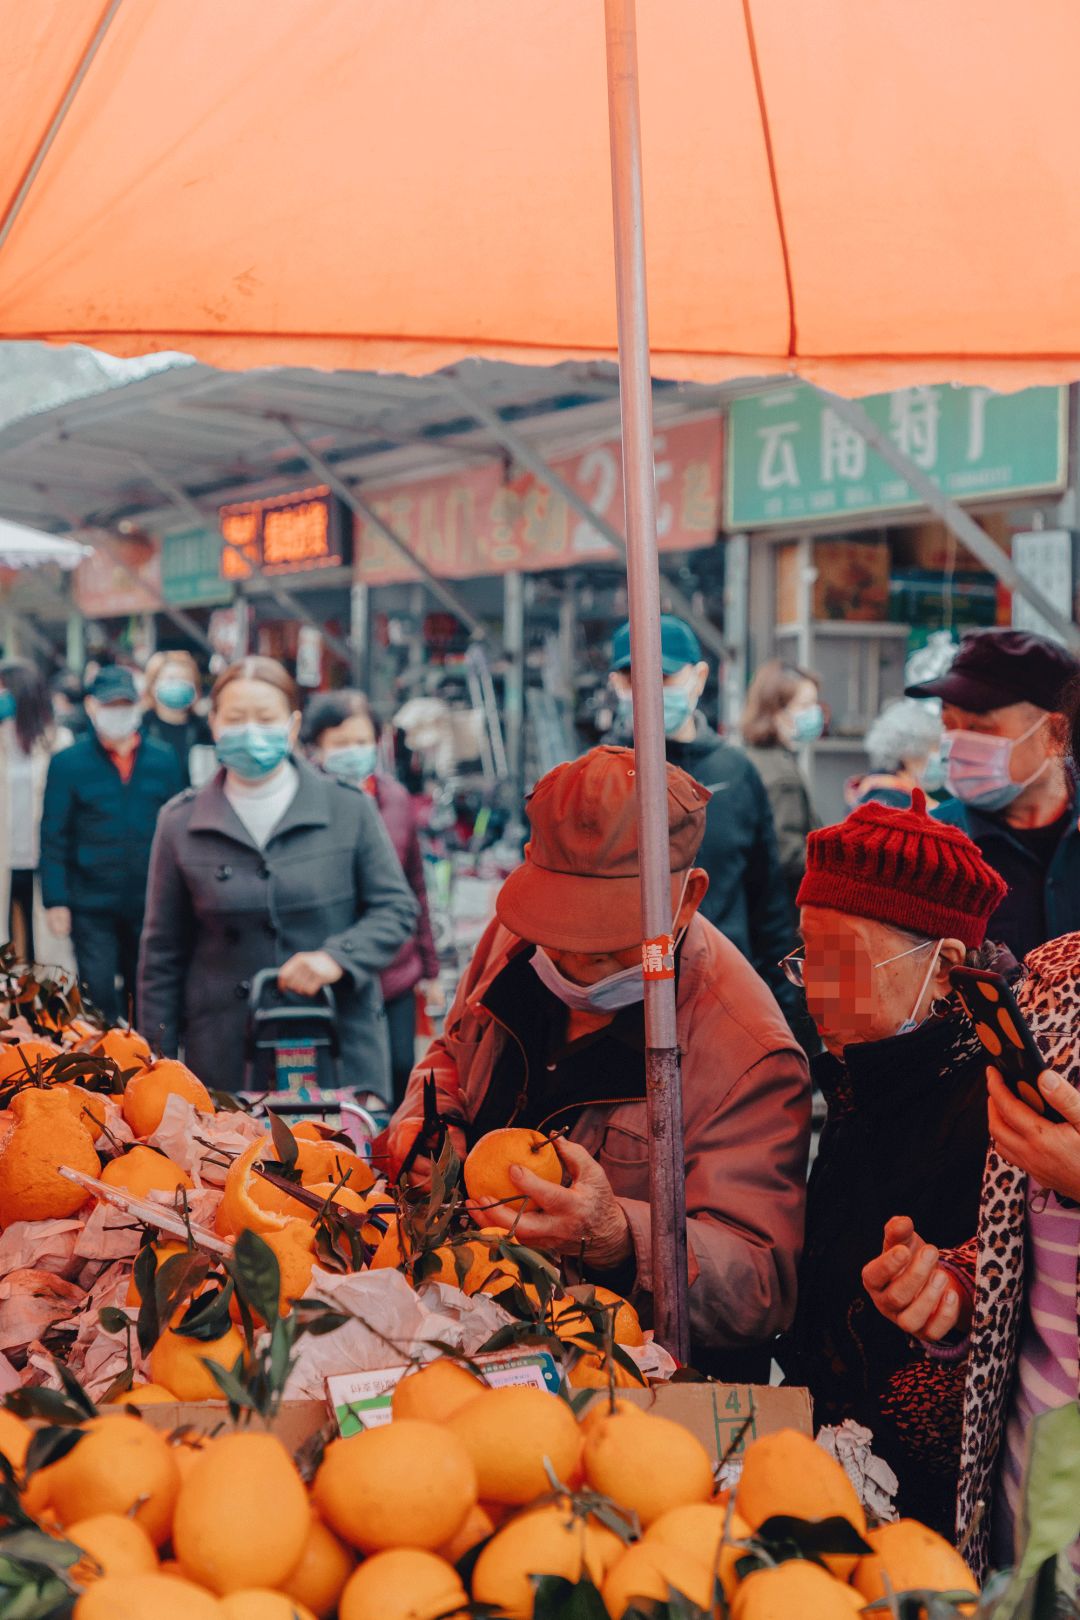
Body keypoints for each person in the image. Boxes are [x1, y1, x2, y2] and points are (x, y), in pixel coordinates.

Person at [385, 745, 811, 1370]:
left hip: (620, 1382)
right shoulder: (517, 935)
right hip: (461, 1333)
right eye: (560, 928)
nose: (572, 956)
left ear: (686, 899)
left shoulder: (748, 1050)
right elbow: (452, 1051)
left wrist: (622, 1238)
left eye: (605, 942)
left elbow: (759, 1284)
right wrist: (431, 1123)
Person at [777, 789, 1009, 1535]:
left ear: (943, 967)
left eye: (840, 961)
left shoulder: (1003, 1108)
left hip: (928, 1518)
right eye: (806, 955)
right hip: (827, 1471)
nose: (814, 987)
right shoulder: (865, 1072)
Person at [138, 656, 417, 1096]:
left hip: (336, 1046)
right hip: (224, 1054)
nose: (251, 731)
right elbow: (161, 956)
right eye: (235, 718)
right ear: (213, 723)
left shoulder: (349, 808)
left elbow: (397, 910)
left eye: (266, 718)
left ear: (291, 725)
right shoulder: (179, 822)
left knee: (337, 1164)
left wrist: (337, 957)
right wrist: (156, 1065)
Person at [607, 616, 797, 1016]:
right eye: (633, 678)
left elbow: (770, 907)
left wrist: (789, 1018)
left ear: (699, 677)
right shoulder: (603, 777)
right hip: (627, 1004)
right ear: (616, 685)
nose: (649, 691)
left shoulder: (737, 773)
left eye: (664, 677)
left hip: (725, 998)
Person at [302, 689, 443, 1106]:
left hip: (394, 966)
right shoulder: (303, 801)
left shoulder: (396, 798)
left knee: (401, 1069)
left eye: (362, 741)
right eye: (341, 743)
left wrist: (430, 968)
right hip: (328, 964)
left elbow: (415, 885)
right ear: (317, 746)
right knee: (336, 1082)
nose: (354, 752)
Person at [905, 627, 1080, 959]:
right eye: (948, 725)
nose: (955, 743)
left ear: (1057, 734)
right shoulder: (930, 849)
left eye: (979, 728)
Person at [40, 666, 183, 1022]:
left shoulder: (164, 761)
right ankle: (104, 1067)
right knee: (97, 989)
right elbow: (54, 833)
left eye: (125, 704)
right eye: (110, 705)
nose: (118, 712)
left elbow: (182, 829)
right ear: (91, 706)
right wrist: (56, 900)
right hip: (91, 901)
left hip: (149, 899)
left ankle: (146, 1063)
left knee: (146, 988)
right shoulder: (68, 764)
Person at [0, 660, 75, 969]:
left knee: (43, 947)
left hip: (44, 859)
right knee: (7, 944)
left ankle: (39, 1013)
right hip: (6, 857)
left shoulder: (59, 741)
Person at [740, 659, 822, 925]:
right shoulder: (781, 775)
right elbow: (787, 855)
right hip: (782, 916)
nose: (816, 713)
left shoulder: (751, 758)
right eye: (805, 706)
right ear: (776, 711)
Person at [845, 696, 944, 811]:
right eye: (930, 751)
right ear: (911, 751)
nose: (933, 758)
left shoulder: (872, 788)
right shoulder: (894, 799)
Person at [140, 650, 213, 788]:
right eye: (171, 679)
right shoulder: (140, 728)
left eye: (185, 679)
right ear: (152, 685)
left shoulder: (206, 732)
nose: (178, 684)